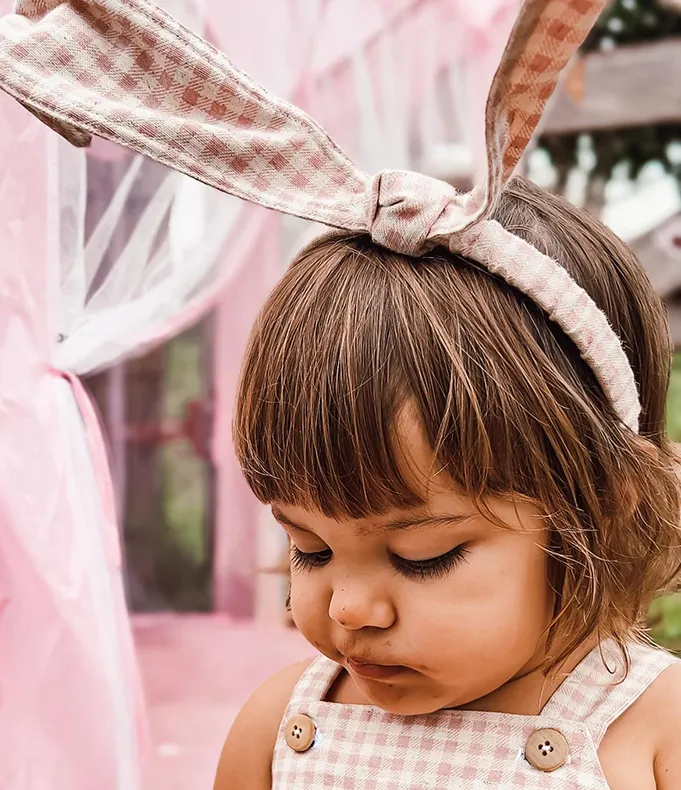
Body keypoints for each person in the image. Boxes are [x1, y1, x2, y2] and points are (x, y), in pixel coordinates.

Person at [1, 0, 680, 787]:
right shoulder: (283, 725)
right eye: (310, 548)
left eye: (421, 557)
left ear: (606, 508)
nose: (347, 609)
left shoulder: (650, 729)